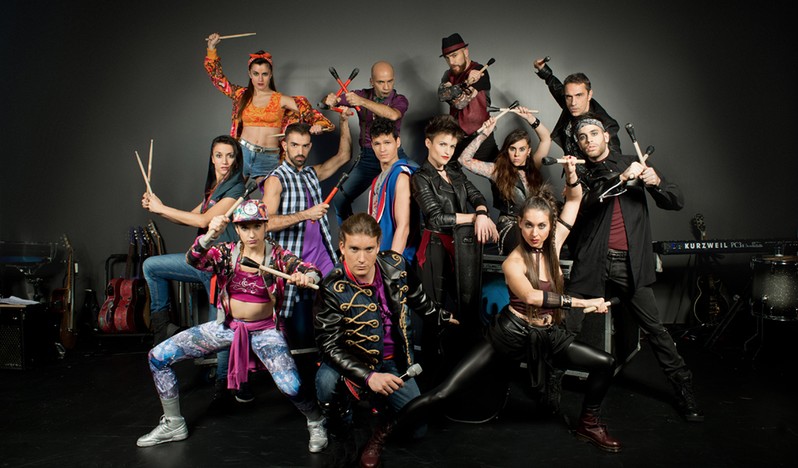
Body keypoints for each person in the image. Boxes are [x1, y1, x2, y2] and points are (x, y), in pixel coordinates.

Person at [398, 168, 623, 453]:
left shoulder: (553, 245)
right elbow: (531, 296)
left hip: (547, 333)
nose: (534, 233)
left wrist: (571, 175)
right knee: (444, 392)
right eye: (528, 225)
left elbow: (575, 200)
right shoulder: (513, 262)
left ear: (551, 226)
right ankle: (386, 431)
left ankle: (588, 424)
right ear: (519, 223)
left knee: (605, 363)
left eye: (541, 226)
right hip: (510, 333)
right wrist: (582, 303)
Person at [136, 199, 328, 453]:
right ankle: (173, 423)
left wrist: (305, 276)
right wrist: (209, 236)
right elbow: (193, 260)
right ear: (237, 229)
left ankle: (316, 420)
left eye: (257, 226)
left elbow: (311, 270)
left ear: (265, 226)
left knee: (291, 386)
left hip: (265, 332)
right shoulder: (225, 253)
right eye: (245, 227)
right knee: (158, 357)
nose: (251, 233)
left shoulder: (277, 255)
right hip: (227, 326)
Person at [567, 114, 704, 422]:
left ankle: (683, 388)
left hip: (629, 263)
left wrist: (656, 183)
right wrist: (621, 178)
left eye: (593, 134)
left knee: (655, 330)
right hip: (592, 262)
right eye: (582, 137)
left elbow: (676, 200)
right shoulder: (579, 171)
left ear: (606, 136)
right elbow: (589, 202)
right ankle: (548, 386)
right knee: (567, 327)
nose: (588, 140)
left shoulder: (633, 161)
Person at [314, 213, 446, 468]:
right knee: (325, 382)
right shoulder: (331, 286)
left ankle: (380, 425)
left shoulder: (395, 265)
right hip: (351, 362)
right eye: (354, 249)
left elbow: (418, 297)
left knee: (417, 429)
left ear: (378, 245)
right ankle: (344, 423)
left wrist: (442, 316)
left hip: (392, 361)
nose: (361, 259)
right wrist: (368, 376)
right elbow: (328, 345)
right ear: (342, 247)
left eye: (369, 249)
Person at [140, 135, 244, 403]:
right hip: (200, 262)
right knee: (151, 266)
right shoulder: (214, 189)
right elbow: (190, 218)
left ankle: (224, 384)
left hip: (220, 266)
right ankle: (162, 327)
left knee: (219, 328)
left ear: (236, 159)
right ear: (212, 158)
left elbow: (202, 220)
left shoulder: (236, 188)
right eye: (219, 155)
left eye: (230, 155)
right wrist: (158, 208)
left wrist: (161, 208)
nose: (224, 161)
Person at [411, 114, 498, 386]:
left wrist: (481, 212)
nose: (448, 151)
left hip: (461, 246)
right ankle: (430, 383)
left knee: (468, 311)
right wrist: (475, 218)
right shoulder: (420, 177)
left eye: (451, 146)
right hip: (434, 248)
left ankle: (460, 378)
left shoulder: (455, 171)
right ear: (428, 143)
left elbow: (477, 196)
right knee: (434, 316)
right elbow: (436, 218)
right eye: (442, 145)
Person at [260, 109, 352, 352]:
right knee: (300, 331)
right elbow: (265, 223)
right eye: (294, 145)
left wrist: (343, 121)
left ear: (310, 146)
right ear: (284, 145)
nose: (300, 151)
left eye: (305, 146)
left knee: (339, 309)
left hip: (322, 256)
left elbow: (344, 156)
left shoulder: (311, 173)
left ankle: (336, 363)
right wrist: (306, 214)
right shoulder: (276, 179)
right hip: (294, 262)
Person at [205, 32, 334, 180]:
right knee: (230, 193)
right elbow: (218, 80)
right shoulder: (242, 95)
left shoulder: (281, 99)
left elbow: (309, 113)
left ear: (271, 74)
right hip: (242, 153)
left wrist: (319, 124)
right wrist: (211, 48)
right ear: (250, 74)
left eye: (264, 74)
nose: (260, 79)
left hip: (268, 158)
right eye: (256, 74)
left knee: (271, 195)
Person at [323, 61, 410, 225]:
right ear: (371, 81)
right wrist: (331, 100)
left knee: (421, 185)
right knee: (339, 200)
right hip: (369, 157)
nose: (386, 87)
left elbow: (392, 115)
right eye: (381, 82)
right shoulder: (361, 94)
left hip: (394, 157)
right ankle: (351, 236)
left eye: (390, 81)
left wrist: (362, 102)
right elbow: (331, 102)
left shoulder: (400, 100)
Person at [460, 108, 552, 255]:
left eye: (521, 149)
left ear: (528, 151)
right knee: (525, 247)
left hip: (533, 224)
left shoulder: (534, 167)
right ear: (507, 150)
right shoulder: (497, 170)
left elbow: (546, 139)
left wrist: (529, 118)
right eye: (512, 149)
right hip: (510, 225)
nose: (516, 154)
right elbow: (464, 160)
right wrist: (485, 133)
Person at [532, 57, 620, 158]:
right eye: (568, 97)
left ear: (589, 95)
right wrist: (543, 69)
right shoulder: (570, 103)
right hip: (570, 166)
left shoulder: (606, 125)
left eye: (579, 95)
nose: (573, 103)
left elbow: (614, 160)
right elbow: (556, 87)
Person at [438, 33, 498, 163]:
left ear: (465, 52)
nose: (451, 62)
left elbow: (460, 103)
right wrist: (466, 83)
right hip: (456, 137)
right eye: (447, 58)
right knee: (445, 170)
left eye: (454, 55)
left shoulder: (480, 71)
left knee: (497, 172)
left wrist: (453, 91)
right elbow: (442, 94)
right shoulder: (448, 75)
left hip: (481, 135)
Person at [366, 117, 420, 263]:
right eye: (377, 144)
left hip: (398, 258)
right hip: (379, 255)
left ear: (398, 142)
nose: (382, 149)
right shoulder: (377, 180)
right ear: (372, 145)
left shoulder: (401, 175)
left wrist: (392, 264)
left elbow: (403, 227)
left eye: (387, 142)